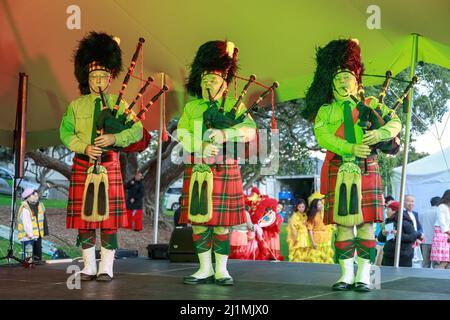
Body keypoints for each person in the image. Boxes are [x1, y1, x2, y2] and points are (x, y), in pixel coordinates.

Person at [304, 39, 402, 291]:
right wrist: (348, 148)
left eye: (347, 75)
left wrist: (379, 135)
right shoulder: (326, 110)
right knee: (344, 224)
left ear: (357, 80)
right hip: (341, 165)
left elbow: (395, 123)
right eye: (337, 76)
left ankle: (363, 276)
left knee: (367, 224)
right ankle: (345, 275)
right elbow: (323, 136)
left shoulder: (369, 104)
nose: (342, 80)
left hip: (366, 167)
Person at [60, 32, 143, 281]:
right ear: (87, 77)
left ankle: (106, 267)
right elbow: (65, 132)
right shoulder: (77, 105)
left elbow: (137, 130)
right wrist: (83, 146)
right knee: (85, 219)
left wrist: (114, 139)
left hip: (109, 166)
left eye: (102, 76)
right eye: (93, 75)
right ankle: (88, 266)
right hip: (83, 165)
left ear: (110, 79)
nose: (98, 80)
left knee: (108, 221)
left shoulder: (120, 105)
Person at [177, 40, 256, 286]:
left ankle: (221, 270)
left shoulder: (235, 105)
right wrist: (198, 145)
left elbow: (250, 131)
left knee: (222, 225)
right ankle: (204, 269)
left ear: (224, 83)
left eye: (211, 80)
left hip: (224, 168)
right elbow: (181, 133)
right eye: (203, 80)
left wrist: (225, 134)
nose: (206, 84)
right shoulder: (192, 108)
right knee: (200, 222)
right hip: (198, 168)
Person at [377, 201, 416, 267]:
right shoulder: (388, 222)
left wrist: (399, 235)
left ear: (394, 211)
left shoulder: (405, 222)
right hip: (388, 256)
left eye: (388, 209)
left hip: (403, 257)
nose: (386, 211)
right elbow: (381, 239)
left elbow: (412, 237)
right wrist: (383, 234)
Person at [17, 188, 48, 263]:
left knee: (38, 255)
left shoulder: (40, 205)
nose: (36, 197)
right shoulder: (25, 208)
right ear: (27, 197)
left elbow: (43, 220)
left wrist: (44, 231)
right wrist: (31, 235)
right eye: (33, 195)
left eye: (37, 196)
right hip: (28, 236)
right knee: (28, 256)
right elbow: (26, 223)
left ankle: (36, 269)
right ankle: (27, 269)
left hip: (37, 235)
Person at [303, 193, 334, 264]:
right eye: (319, 204)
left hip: (326, 238)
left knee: (326, 258)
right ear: (315, 206)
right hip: (317, 238)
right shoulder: (312, 216)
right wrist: (313, 242)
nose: (321, 205)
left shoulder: (326, 213)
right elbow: (310, 230)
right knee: (316, 258)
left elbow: (330, 226)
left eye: (321, 204)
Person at [418, 196, 440, 268]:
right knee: (436, 265)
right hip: (436, 242)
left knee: (425, 264)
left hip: (424, 241)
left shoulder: (423, 212)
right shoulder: (439, 212)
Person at [430, 190, 450, 269]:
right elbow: (443, 224)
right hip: (441, 236)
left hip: (446, 236)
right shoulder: (442, 206)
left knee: (446, 262)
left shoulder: (447, 207)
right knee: (441, 261)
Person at [403, 195, 424, 266]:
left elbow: (419, 228)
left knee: (416, 263)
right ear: (403, 202)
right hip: (408, 242)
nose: (411, 203)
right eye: (408, 201)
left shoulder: (415, 214)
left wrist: (419, 237)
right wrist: (418, 235)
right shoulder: (402, 214)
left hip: (416, 242)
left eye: (412, 201)